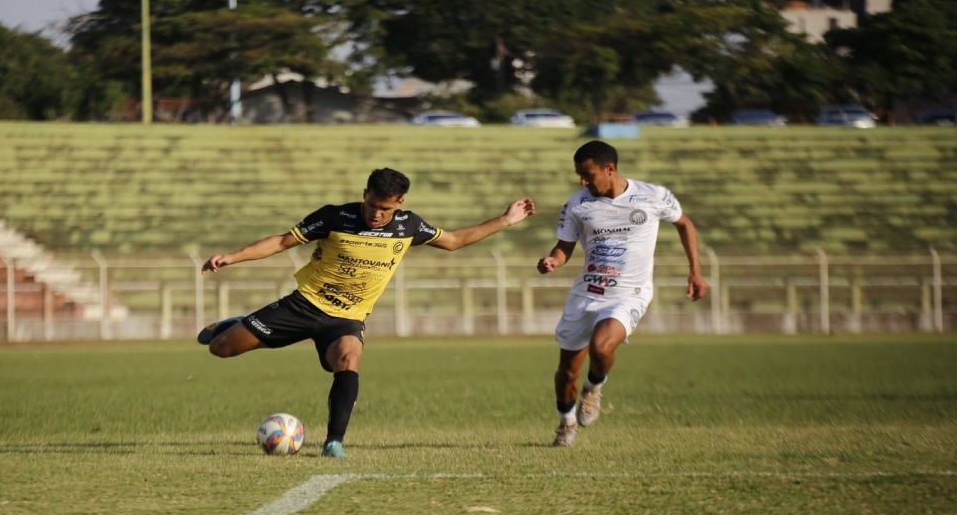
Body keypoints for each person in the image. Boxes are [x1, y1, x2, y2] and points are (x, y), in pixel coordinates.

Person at [198, 167, 536, 458]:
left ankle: (334, 442)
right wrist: (232, 256)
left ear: (399, 203)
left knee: (349, 359)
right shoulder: (334, 216)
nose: (376, 214)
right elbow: (283, 241)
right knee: (221, 348)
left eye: (385, 208)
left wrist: (506, 220)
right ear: (364, 195)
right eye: (372, 205)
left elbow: (455, 241)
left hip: (346, 318)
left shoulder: (408, 225)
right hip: (303, 305)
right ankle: (234, 326)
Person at [537, 140, 708, 448]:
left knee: (601, 348)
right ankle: (566, 422)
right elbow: (564, 248)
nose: (583, 182)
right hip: (586, 293)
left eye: (588, 175)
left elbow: (685, 224)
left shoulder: (653, 196)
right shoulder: (578, 204)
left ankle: (595, 387)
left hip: (629, 293)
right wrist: (553, 261)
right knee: (566, 373)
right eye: (579, 175)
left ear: (610, 169)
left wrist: (695, 270)